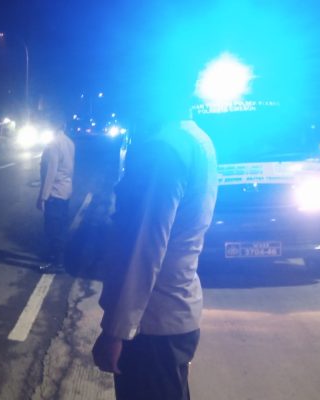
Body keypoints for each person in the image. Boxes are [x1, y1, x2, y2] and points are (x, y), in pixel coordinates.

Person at [91, 109, 218, 399]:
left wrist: (117, 330)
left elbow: (145, 247)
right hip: (173, 313)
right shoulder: (197, 139)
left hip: (151, 325)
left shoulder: (164, 149)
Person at [36, 126, 75, 274]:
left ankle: (57, 264)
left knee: (53, 230)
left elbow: (50, 172)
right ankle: (59, 260)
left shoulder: (53, 145)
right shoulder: (69, 142)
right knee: (61, 228)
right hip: (66, 191)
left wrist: (43, 197)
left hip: (55, 193)